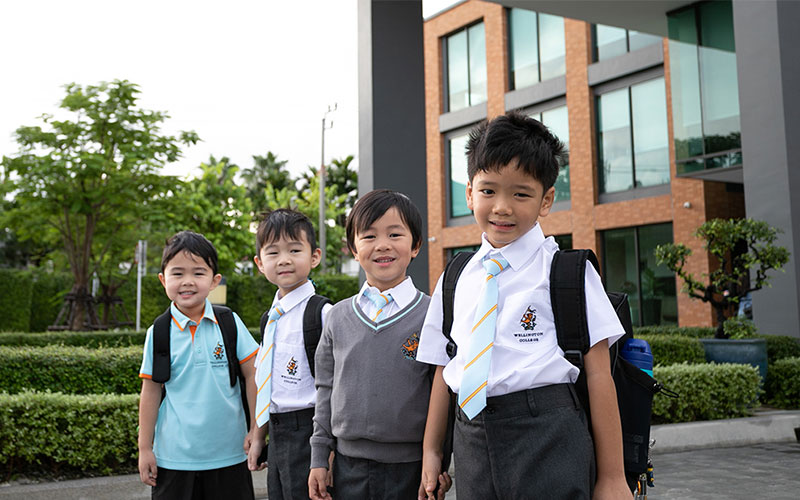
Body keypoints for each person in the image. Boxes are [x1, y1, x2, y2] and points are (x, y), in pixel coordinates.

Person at [416, 111, 631, 500]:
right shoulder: (456, 276)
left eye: (520, 193)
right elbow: (444, 370)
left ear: (546, 199)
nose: (502, 207)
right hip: (471, 440)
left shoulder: (568, 273)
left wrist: (613, 477)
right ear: (469, 193)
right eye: (488, 191)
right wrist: (433, 452)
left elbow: (600, 375)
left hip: (548, 436)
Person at [308, 189, 450, 500]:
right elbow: (325, 388)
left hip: (411, 467)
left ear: (415, 246)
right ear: (353, 249)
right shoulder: (337, 316)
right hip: (347, 468)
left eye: (395, 234)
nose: (382, 244)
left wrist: (440, 459)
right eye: (369, 236)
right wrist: (319, 456)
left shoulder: (433, 315)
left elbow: (445, 393)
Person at [138, 230, 259, 499]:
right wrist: (145, 448)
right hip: (173, 459)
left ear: (215, 280)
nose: (188, 282)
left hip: (230, 455)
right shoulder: (158, 333)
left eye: (198, 273)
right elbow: (151, 391)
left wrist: (255, 430)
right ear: (163, 279)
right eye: (178, 273)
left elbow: (253, 375)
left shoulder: (230, 323)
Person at [246, 208, 333, 500]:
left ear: (314, 256)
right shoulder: (269, 319)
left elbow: (336, 385)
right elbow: (264, 383)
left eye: (294, 249)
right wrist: (259, 438)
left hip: (311, 431)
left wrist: (329, 451)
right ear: (260, 263)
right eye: (273, 253)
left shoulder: (322, 313)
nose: (283, 259)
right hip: (278, 432)